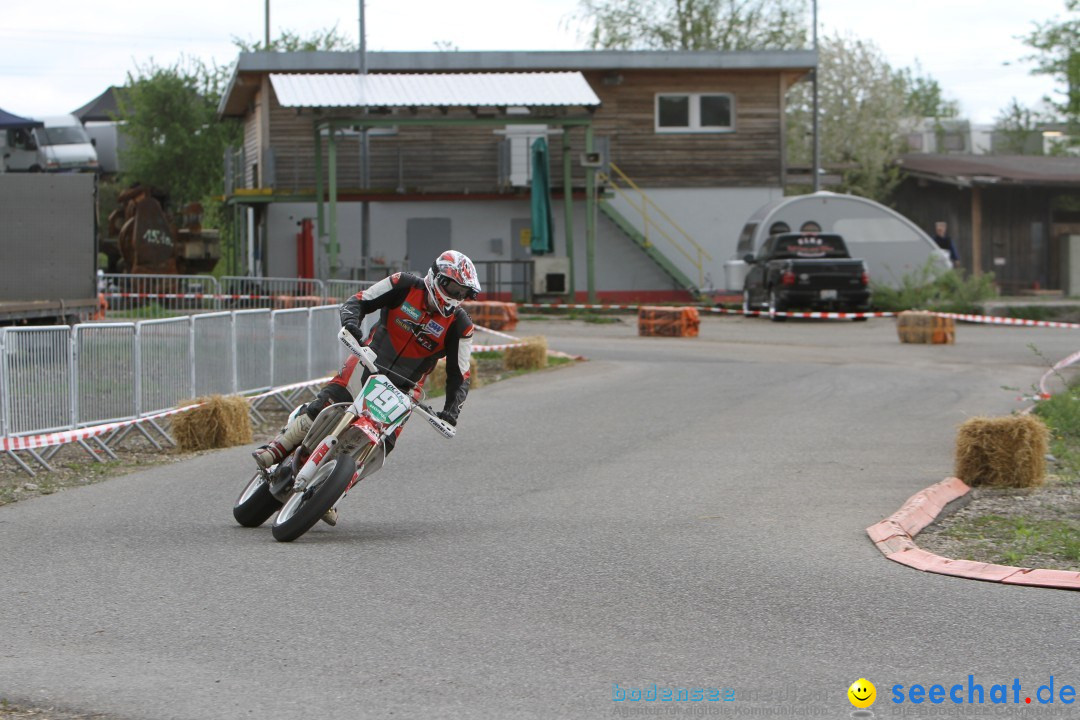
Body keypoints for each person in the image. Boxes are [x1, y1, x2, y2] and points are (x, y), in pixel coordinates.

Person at [252, 250, 481, 521]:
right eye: (452, 286)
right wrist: (352, 324)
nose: (455, 295)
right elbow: (359, 301)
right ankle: (277, 447)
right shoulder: (403, 284)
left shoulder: (460, 326)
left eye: (462, 292)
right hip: (368, 363)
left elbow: (460, 374)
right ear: (435, 276)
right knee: (327, 401)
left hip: (403, 392)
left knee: (384, 446)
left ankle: (332, 491)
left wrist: (451, 412)